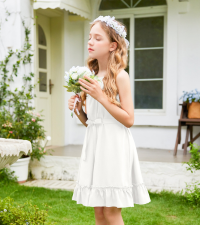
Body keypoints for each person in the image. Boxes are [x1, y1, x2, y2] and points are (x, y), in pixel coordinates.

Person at [68, 15, 151, 225]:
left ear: (113, 45)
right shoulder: (91, 76)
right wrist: (79, 111)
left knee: (112, 212)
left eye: (97, 38)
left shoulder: (120, 76)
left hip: (114, 146)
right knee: (98, 213)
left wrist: (101, 96)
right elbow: (92, 122)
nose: (90, 42)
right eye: (90, 38)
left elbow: (129, 119)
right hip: (95, 144)